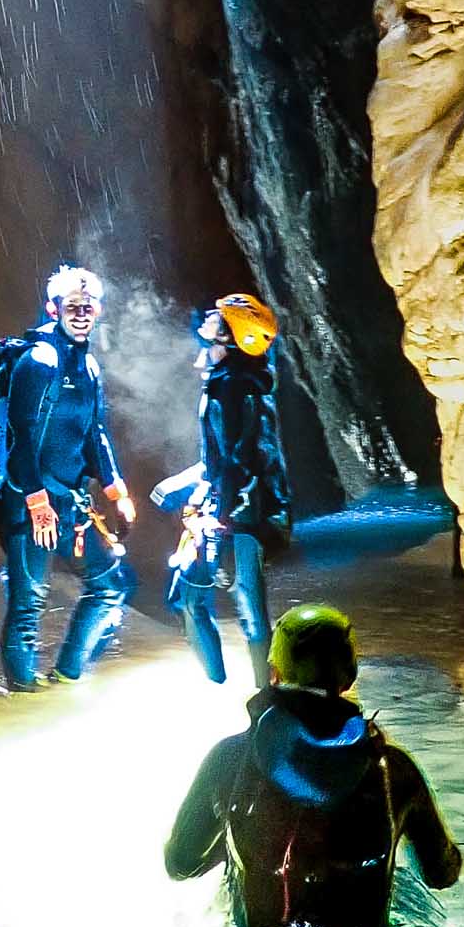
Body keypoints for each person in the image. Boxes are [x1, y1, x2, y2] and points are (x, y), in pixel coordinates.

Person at [164, 604, 461, 927]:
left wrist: (235, 850)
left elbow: (180, 863)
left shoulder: (229, 758)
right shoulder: (395, 769)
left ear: (274, 672)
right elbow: (441, 873)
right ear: (349, 678)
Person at [0, 265, 138, 691]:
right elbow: (20, 439)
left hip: (71, 501)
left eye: (88, 306)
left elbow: (94, 432)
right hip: (26, 499)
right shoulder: (38, 361)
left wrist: (116, 490)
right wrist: (36, 503)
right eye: (72, 305)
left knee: (108, 585)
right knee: (28, 601)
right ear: (52, 308)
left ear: (98, 310)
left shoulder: (88, 364)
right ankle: (22, 694)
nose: (81, 312)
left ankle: (67, 673)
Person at [154, 294, 291, 685]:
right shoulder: (237, 382)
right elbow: (225, 457)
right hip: (236, 509)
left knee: (240, 600)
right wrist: (188, 488)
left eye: (217, 322)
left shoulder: (232, 388)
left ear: (232, 337)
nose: (206, 325)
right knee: (204, 598)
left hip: (238, 516)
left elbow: (240, 459)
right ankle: (245, 689)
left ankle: (259, 693)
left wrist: (220, 513)